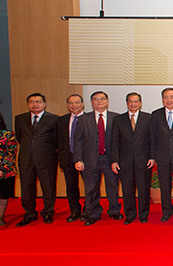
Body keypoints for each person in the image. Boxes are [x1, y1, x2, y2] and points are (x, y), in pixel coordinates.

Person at [74, 91, 120, 226]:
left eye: (102, 99)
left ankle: (114, 211)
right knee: (91, 188)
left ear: (107, 101)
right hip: (90, 160)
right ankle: (93, 213)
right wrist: (78, 159)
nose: (99, 101)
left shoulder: (115, 118)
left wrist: (117, 159)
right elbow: (78, 141)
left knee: (112, 186)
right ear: (91, 102)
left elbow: (119, 141)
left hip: (110, 159)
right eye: (95, 99)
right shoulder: (83, 119)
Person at [14, 93, 58, 226]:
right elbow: (20, 138)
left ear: (44, 104)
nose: (35, 104)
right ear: (28, 104)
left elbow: (57, 140)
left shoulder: (54, 119)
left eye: (38, 102)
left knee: (48, 187)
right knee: (26, 188)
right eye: (32, 102)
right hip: (26, 159)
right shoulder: (20, 118)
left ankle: (48, 213)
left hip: (47, 159)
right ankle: (29, 214)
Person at [111, 92, 155, 224]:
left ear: (140, 103)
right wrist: (114, 160)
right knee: (127, 189)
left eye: (136, 101)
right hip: (125, 161)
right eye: (130, 101)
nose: (133, 104)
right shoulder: (118, 119)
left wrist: (152, 157)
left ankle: (143, 214)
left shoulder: (148, 118)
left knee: (143, 188)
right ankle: (130, 214)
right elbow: (115, 141)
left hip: (144, 160)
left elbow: (153, 139)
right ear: (127, 103)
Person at [150, 88, 173, 222]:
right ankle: (166, 211)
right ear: (162, 99)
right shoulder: (155, 115)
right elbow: (152, 137)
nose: (169, 100)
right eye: (166, 97)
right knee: (165, 186)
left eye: (171, 97)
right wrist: (153, 157)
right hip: (162, 156)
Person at [56, 94, 86, 222]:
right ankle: (74, 211)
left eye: (77, 102)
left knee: (90, 186)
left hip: (86, 158)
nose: (74, 105)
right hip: (68, 158)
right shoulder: (61, 120)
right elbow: (57, 140)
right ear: (67, 105)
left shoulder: (89, 118)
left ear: (82, 104)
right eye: (71, 103)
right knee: (71, 187)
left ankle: (88, 210)